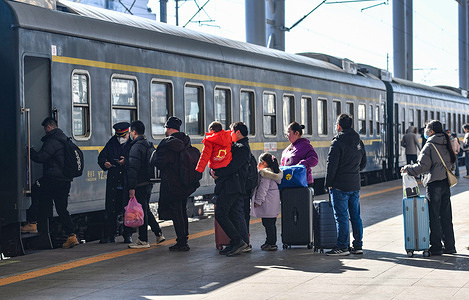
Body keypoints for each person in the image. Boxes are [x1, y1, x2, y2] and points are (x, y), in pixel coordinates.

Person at [402, 120, 457, 256]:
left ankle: (436, 246)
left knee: (434, 216)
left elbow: (423, 166)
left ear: (431, 131)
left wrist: (408, 169)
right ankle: (450, 246)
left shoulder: (430, 145)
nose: (425, 131)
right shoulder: (446, 141)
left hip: (434, 184)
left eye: (427, 129)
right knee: (445, 216)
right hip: (445, 183)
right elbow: (452, 162)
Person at [27, 117, 79, 248]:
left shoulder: (52, 140)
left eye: (45, 128)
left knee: (35, 189)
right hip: (64, 180)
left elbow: (41, 157)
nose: (45, 131)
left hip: (53, 179)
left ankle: (33, 223)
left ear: (49, 127)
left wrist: (30, 151)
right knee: (61, 209)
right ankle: (72, 235)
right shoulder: (63, 138)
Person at [325, 113, 367, 256]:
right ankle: (358, 245)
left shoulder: (337, 141)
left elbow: (331, 165)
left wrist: (329, 183)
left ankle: (342, 246)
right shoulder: (358, 141)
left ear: (339, 126)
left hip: (340, 186)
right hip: (354, 185)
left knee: (341, 217)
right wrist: (354, 172)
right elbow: (363, 163)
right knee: (355, 216)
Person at [155, 116, 198, 251]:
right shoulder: (186, 141)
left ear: (169, 128)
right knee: (182, 211)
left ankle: (182, 242)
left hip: (172, 184)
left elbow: (159, 163)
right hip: (185, 183)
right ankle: (183, 238)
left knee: (176, 213)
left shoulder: (167, 144)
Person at [211, 122, 251, 256]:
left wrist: (218, 172)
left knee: (221, 214)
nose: (230, 134)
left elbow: (231, 167)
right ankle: (236, 243)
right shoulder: (237, 146)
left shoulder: (242, 148)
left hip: (232, 187)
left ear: (238, 132)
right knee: (233, 214)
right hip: (231, 186)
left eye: (231, 132)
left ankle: (238, 241)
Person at [125, 120, 164, 249]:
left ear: (134, 132)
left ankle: (143, 240)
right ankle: (158, 233)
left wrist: (131, 187)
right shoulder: (148, 144)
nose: (130, 133)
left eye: (131, 131)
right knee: (145, 209)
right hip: (148, 182)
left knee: (141, 211)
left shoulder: (135, 147)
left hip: (139, 184)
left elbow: (133, 169)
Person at [97, 122, 132, 243]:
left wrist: (126, 161)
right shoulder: (112, 142)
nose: (120, 139)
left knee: (128, 210)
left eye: (123, 136)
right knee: (111, 210)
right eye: (119, 136)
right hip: (114, 182)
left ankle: (127, 235)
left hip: (127, 182)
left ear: (128, 133)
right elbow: (101, 157)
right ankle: (109, 235)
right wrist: (104, 163)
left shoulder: (133, 144)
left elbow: (136, 160)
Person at [250, 153, 283, 251]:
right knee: (270, 224)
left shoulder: (266, 175)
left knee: (268, 224)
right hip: (272, 203)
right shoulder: (273, 173)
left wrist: (258, 201)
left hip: (268, 203)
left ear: (263, 163)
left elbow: (262, 190)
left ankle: (272, 243)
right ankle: (269, 242)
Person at [281, 122, 318, 187]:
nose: (287, 135)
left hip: (302, 183)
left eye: (288, 132)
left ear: (296, 133)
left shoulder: (306, 146)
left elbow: (314, 159)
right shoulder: (287, 149)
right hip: (289, 182)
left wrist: (302, 164)